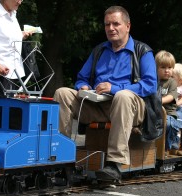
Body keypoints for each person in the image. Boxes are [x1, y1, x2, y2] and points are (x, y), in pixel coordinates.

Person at [53, 6, 158, 181]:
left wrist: (115, 88)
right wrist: (83, 87)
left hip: (132, 107)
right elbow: (81, 78)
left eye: (116, 23)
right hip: (98, 104)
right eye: (107, 24)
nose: (111, 28)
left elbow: (150, 85)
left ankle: (114, 164)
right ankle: (61, 160)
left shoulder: (142, 51)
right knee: (62, 93)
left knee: (122, 96)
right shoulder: (99, 50)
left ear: (128, 26)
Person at [155, 50, 180, 154]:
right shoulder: (153, 80)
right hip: (155, 112)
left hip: (169, 113)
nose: (167, 71)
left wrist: (158, 101)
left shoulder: (172, 82)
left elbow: (171, 96)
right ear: (156, 68)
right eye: (163, 67)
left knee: (168, 124)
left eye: (169, 68)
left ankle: (166, 147)